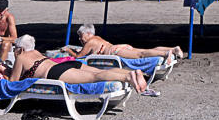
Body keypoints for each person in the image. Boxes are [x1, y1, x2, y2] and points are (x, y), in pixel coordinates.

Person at [9, 35, 151, 94]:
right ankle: (129, 73)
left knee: (96, 77)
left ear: (20, 49)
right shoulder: (36, 52)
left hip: (56, 72)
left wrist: (3, 69)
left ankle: (129, 77)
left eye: (15, 48)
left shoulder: (21, 56)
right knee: (96, 71)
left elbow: (13, 81)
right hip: (67, 64)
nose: (15, 50)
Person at [69, 24, 184, 60]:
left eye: (81, 36)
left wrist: (69, 50)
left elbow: (78, 57)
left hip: (115, 51)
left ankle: (164, 54)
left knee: (141, 55)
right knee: (145, 51)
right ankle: (173, 49)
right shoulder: (97, 38)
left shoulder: (90, 42)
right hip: (119, 47)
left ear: (89, 34)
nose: (80, 39)